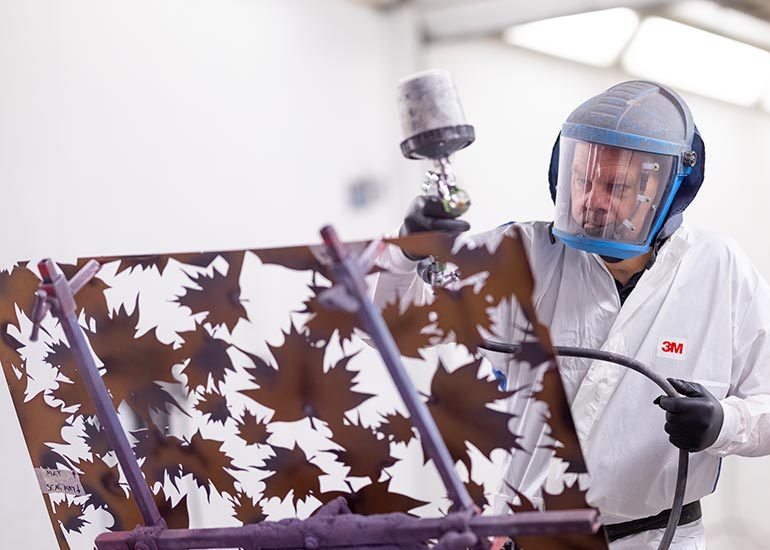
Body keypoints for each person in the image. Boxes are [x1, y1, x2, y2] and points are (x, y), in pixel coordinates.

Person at [372, 80, 770, 549]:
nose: (592, 200)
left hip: (657, 538)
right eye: (583, 180)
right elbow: (397, 325)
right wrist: (408, 251)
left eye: (616, 187)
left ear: (669, 190)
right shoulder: (522, 253)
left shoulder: (719, 268)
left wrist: (722, 422)